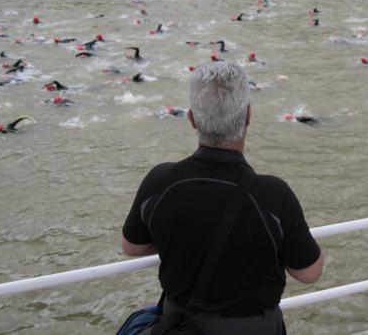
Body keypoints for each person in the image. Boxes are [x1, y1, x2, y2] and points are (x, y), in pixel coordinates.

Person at [122, 62, 323, 334]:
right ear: (248, 116)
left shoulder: (160, 181)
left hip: (182, 325)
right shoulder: (274, 194)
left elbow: (132, 247)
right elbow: (309, 273)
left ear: (192, 119)